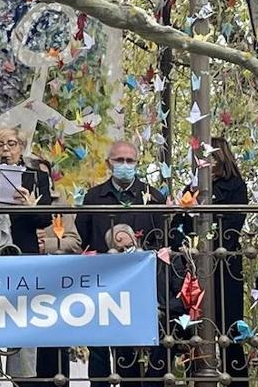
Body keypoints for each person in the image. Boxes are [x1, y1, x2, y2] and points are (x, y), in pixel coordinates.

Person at [77, 140, 167, 385]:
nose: (125, 165)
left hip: (138, 284)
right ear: (109, 163)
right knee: (98, 346)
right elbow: (83, 236)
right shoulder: (94, 197)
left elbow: (162, 241)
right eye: (119, 160)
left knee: (130, 350)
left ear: (137, 164)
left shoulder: (153, 197)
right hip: (101, 281)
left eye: (130, 161)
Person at [0, 127, 52, 383]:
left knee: (22, 320)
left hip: (23, 255)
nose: (6, 150)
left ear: (21, 147)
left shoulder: (35, 177)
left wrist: (31, 205)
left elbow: (44, 219)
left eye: (11, 144)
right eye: (0, 145)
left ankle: (23, 379)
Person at [103, 225, 188, 387]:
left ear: (136, 241)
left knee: (166, 333)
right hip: (127, 322)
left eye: (129, 247)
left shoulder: (163, 261)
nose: (127, 252)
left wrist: (159, 311)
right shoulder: (111, 273)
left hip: (162, 321)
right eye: (120, 250)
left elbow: (181, 298)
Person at [32, 157, 79, 387]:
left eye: (44, 175)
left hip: (55, 285)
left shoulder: (61, 202)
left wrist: (47, 244)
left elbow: (75, 242)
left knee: (55, 350)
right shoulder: (7, 201)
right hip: (22, 284)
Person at [208, 137, 249, 380]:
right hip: (194, 267)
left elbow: (233, 224)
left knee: (230, 332)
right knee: (194, 331)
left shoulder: (235, 185)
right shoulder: (194, 185)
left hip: (225, 265)